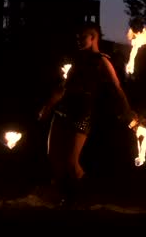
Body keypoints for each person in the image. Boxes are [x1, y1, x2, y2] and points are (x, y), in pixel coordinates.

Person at [37, 21, 140, 207]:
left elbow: (116, 88)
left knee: (71, 162)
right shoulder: (77, 60)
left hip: (81, 114)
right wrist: (48, 106)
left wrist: (127, 111)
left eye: (82, 37)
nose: (78, 40)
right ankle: (66, 197)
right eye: (77, 37)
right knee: (54, 157)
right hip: (62, 111)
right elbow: (62, 89)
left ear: (93, 38)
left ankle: (81, 198)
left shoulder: (102, 61)